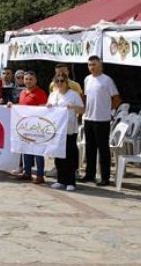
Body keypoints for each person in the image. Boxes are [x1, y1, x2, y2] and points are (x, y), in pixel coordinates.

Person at [79, 56, 120, 186]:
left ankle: (105, 177)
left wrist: (110, 112)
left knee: (103, 150)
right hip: (89, 119)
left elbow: (117, 98)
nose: (92, 67)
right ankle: (89, 175)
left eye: (94, 64)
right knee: (90, 149)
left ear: (100, 65)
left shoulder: (107, 80)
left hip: (102, 120)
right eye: (90, 65)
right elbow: (86, 97)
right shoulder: (87, 79)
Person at [47, 73, 84, 191]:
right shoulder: (53, 95)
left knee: (70, 155)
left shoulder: (73, 94)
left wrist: (73, 108)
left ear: (66, 82)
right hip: (57, 130)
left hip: (69, 130)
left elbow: (83, 109)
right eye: (57, 81)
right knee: (58, 156)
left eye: (62, 81)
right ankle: (61, 180)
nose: (59, 83)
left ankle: (70, 181)